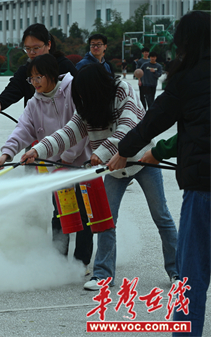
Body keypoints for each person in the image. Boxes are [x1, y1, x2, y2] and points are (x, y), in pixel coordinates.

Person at [21, 63, 179, 292]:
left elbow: (128, 127)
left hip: (142, 160)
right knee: (105, 221)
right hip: (113, 169)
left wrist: (101, 153)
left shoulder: (123, 90)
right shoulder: (86, 105)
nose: (81, 98)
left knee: (161, 216)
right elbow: (68, 132)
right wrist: (38, 150)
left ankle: (177, 272)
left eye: (84, 93)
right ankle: (103, 275)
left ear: (96, 87)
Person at [107, 11, 210, 337]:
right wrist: (158, 152)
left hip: (204, 190)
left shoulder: (187, 76)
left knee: (191, 274)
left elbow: (153, 122)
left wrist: (123, 152)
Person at [0, 54, 93, 271]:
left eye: (39, 77)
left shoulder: (73, 91)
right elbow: (22, 130)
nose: (35, 82)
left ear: (51, 75)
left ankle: (81, 262)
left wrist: (67, 158)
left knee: (84, 213)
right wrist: (7, 154)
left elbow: (81, 129)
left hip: (80, 166)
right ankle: (58, 260)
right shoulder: (33, 103)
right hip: (56, 167)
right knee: (61, 213)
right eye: (32, 78)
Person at [0, 23, 77, 114]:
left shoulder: (64, 66)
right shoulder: (25, 70)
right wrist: (0, 103)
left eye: (36, 48)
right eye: (27, 48)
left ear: (48, 44)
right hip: (37, 122)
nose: (31, 52)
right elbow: (14, 88)